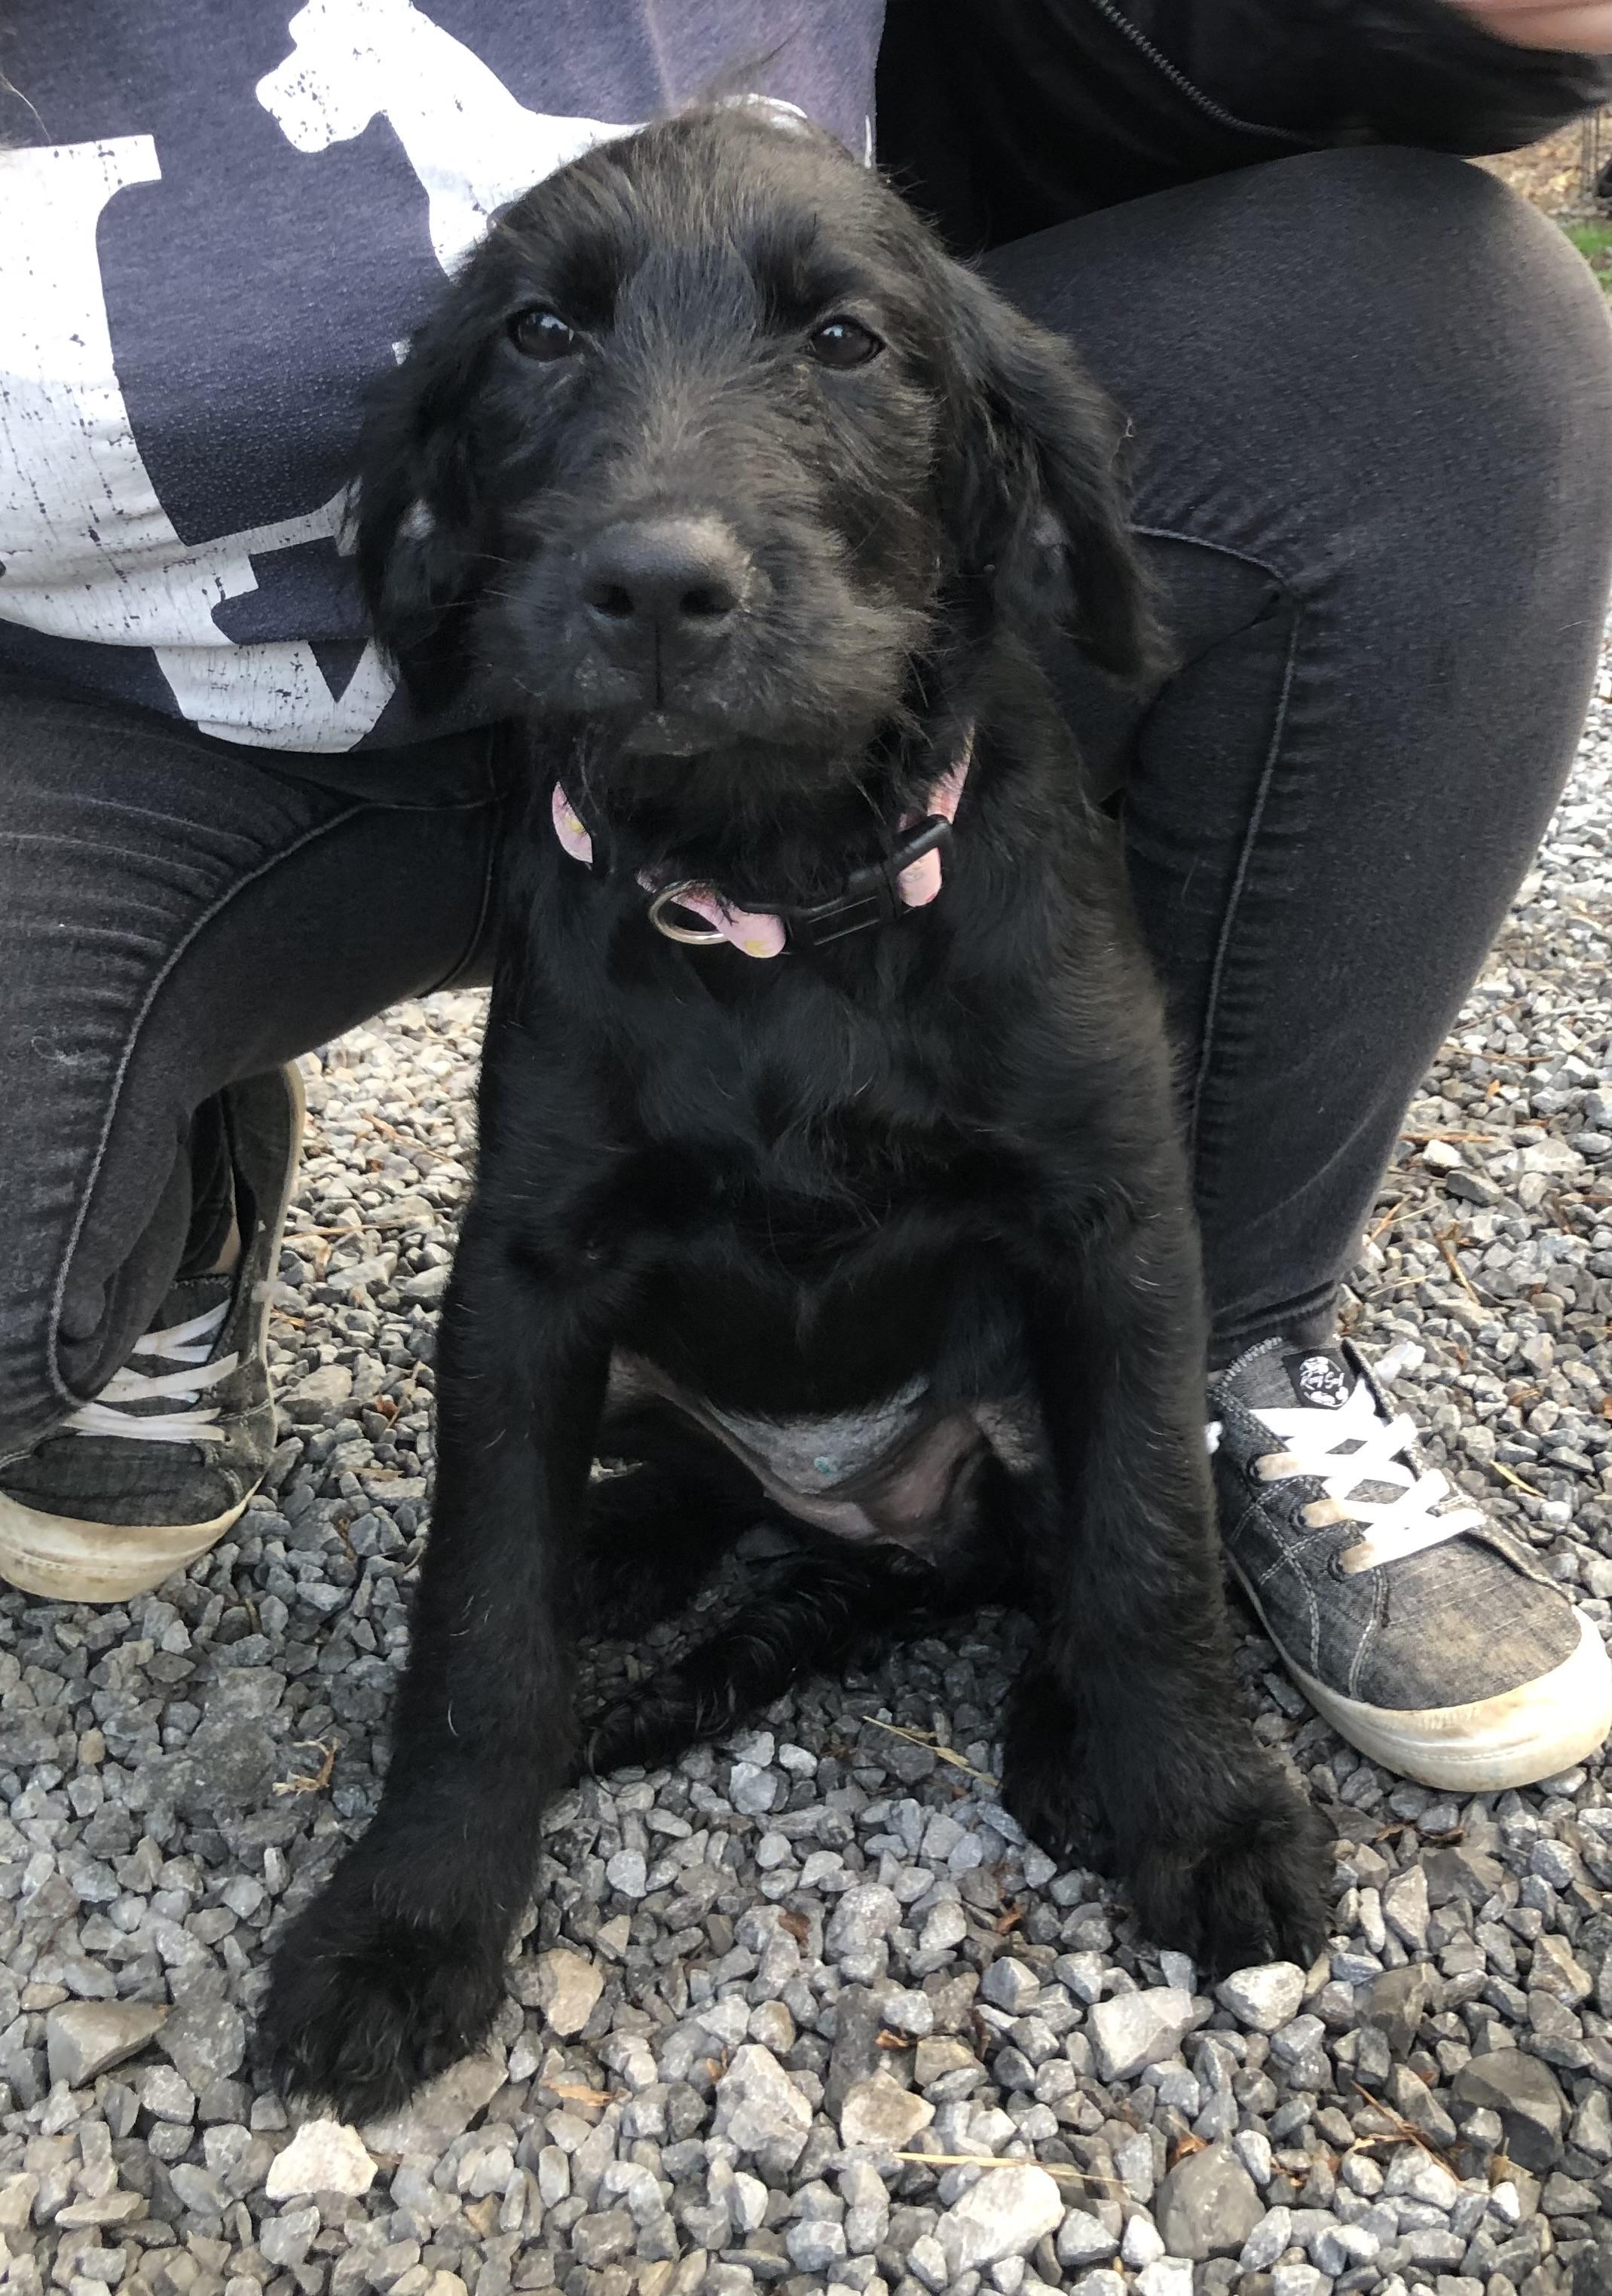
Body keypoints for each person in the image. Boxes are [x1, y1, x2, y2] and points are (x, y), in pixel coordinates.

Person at [2, 0, 1611, 1793]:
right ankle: (179, 1136)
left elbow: (1223, 60)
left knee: (1454, 330)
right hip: (166, 728)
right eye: (549, 332)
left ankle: (1225, 1350)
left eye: (835, 339)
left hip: (820, 699)